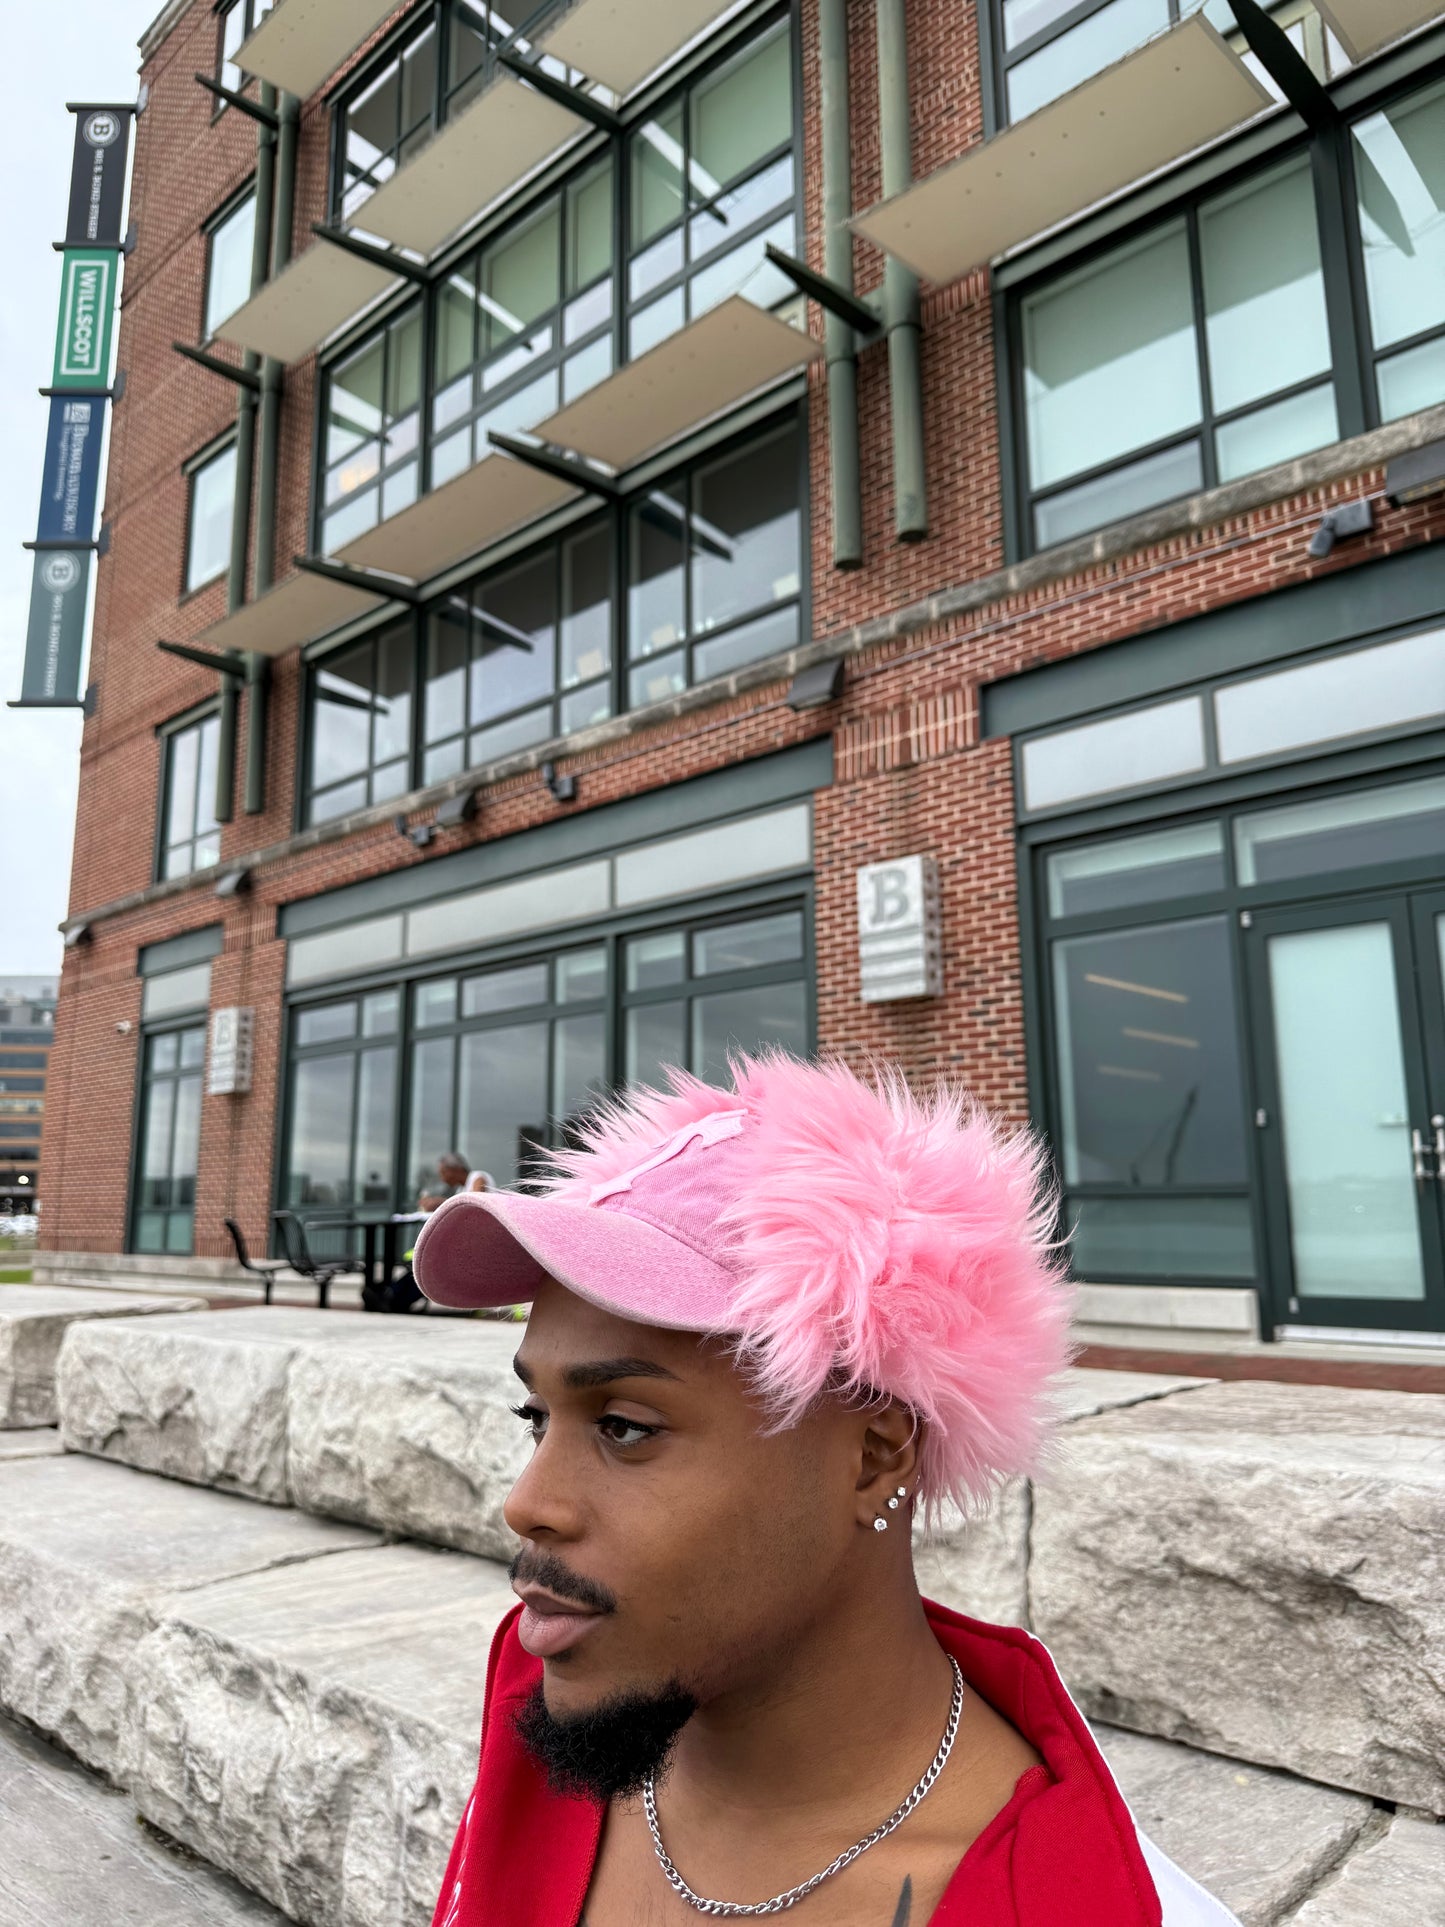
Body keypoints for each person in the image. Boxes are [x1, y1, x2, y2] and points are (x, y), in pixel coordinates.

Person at [413, 1056, 1241, 1926]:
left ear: (875, 1457)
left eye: (624, 1424)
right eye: (535, 1415)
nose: (526, 1502)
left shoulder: (1073, 1903)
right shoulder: (554, 1699)